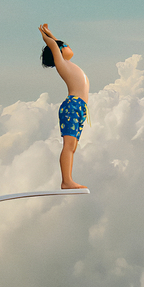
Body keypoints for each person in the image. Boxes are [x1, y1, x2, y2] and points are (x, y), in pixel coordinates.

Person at [38, 23, 89, 189]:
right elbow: (55, 45)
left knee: (72, 146)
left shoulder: (67, 63)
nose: (68, 46)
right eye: (65, 46)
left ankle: (68, 179)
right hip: (72, 106)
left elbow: (57, 44)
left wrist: (52, 35)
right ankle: (66, 181)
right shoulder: (62, 64)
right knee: (68, 146)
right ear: (59, 52)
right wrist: (46, 36)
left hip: (80, 107)